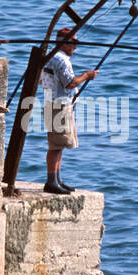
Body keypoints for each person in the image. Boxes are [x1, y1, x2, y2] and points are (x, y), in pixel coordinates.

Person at [40, 27, 98, 194]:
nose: (75, 48)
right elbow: (70, 83)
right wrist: (87, 75)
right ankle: (51, 182)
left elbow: (40, 81)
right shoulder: (63, 60)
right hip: (60, 106)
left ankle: (57, 180)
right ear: (64, 44)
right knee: (55, 146)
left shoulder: (49, 57)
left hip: (51, 103)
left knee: (59, 145)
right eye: (73, 44)